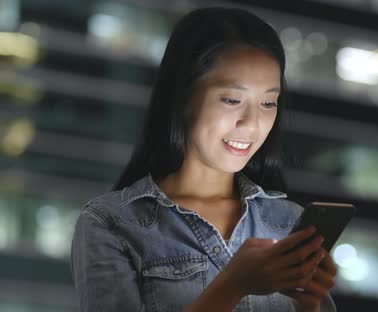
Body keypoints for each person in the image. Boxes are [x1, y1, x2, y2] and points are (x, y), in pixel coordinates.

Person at [70, 6, 338, 312]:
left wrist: (310, 305)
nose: (252, 123)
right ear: (184, 98)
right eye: (232, 100)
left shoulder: (289, 223)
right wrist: (232, 286)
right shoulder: (112, 223)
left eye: (268, 102)